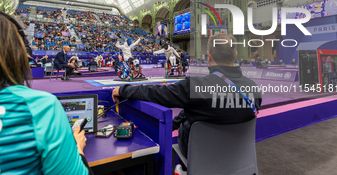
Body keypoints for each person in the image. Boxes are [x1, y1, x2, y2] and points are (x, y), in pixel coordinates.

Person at [111, 34, 262, 173]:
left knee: (191, 112)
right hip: (239, 158)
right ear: (235, 55)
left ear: (209, 56)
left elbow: (157, 93)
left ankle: (182, 170)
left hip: (200, 155)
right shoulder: (253, 88)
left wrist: (124, 90)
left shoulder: (195, 86)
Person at [0, 12, 93, 174]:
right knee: (69, 67)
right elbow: (59, 62)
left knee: (71, 67)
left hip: (63, 64)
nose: (68, 49)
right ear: (21, 51)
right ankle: (66, 76)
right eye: (67, 47)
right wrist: (78, 149)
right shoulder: (43, 107)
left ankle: (67, 75)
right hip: (58, 65)